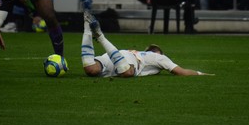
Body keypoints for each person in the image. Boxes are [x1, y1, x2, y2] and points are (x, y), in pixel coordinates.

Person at [81, 10, 213, 77]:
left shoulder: (138, 52)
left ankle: (87, 28)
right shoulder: (158, 57)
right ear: (158, 52)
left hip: (116, 54)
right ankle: (101, 37)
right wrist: (201, 74)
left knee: (90, 69)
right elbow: (181, 72)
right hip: (127, 59)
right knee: (127, 72)